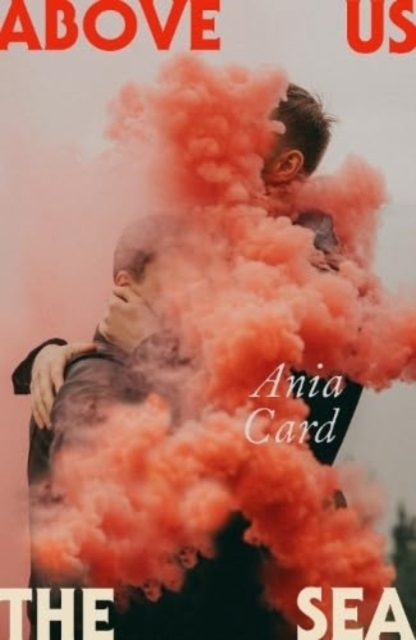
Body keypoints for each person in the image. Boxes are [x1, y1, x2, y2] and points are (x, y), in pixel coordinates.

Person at [12, 84, 362, 639]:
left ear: (285, 165)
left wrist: (148, 347)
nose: (200, 151)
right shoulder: (227, 253)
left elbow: (272, 446)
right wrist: (66, 355)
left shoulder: (321, 293)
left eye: (231, 138)